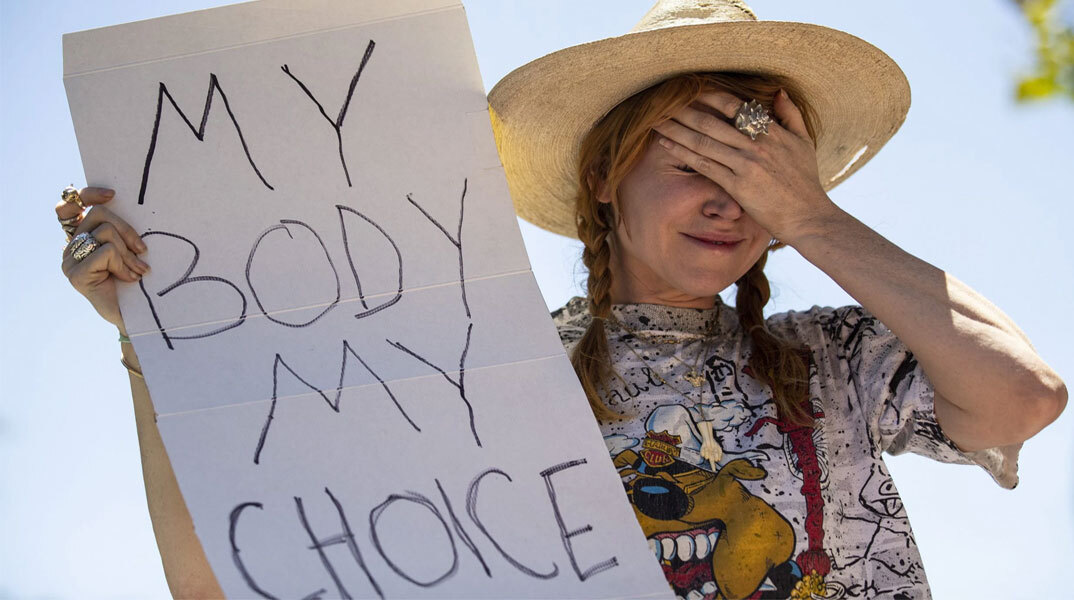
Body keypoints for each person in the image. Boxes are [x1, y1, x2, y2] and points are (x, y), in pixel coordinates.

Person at [58, 1, 1065, 599]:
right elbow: (222, 579)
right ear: (603, 177)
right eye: (692, 155)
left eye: (762, 159)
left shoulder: (834, 356)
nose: (732, 195)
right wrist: (154, 341)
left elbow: (1023, 397)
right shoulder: (489, 375)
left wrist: (812, 219)